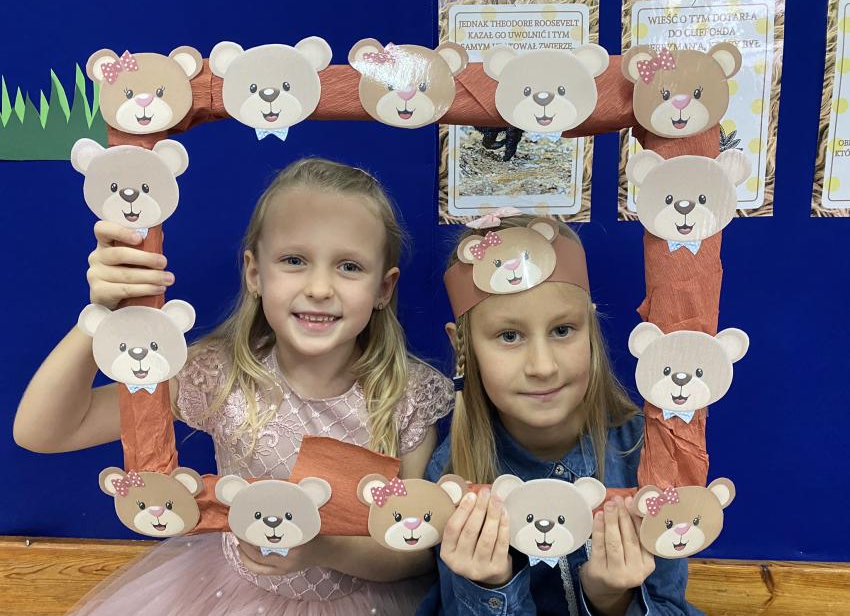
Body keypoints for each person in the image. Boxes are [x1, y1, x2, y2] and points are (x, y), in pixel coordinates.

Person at [14, 158, 453, 616]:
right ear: (254, 273)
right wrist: (100, 316)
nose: (320, 287)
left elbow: (416, 552)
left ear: (384, 288)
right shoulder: (218, 378)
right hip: (228, 596)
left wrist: (323, 548)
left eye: (349, 266)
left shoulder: (406, 396)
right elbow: (44, 431)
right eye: (294, 260)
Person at [417, 216, 701, 615]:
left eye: (563, 330)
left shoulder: (647, 453)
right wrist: (489, 588)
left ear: (590, 328)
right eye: (509, 336)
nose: (543, 367)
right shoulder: (452, 472)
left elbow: (671, 605)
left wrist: (612, 601)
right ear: (463, 346)